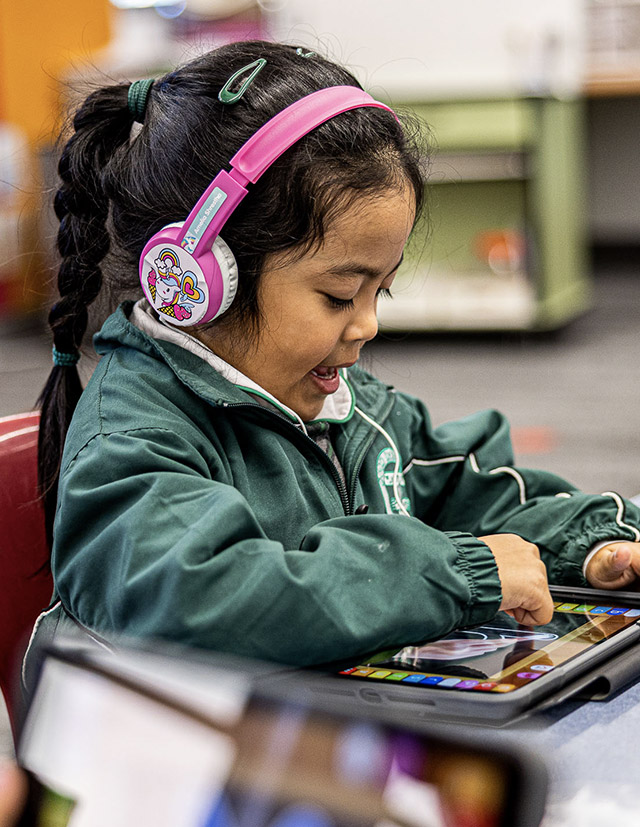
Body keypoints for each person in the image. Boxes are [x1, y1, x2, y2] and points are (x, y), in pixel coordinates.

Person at [29, 40, 640, 680]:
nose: (368, 325)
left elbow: (472, 494)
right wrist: (457, 572)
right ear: (201, 275)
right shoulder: (136, 440)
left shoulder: (346, 410)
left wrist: (593, 541)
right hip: (169, 766)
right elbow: (203, 598)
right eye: (340, 295)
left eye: (382, 291)